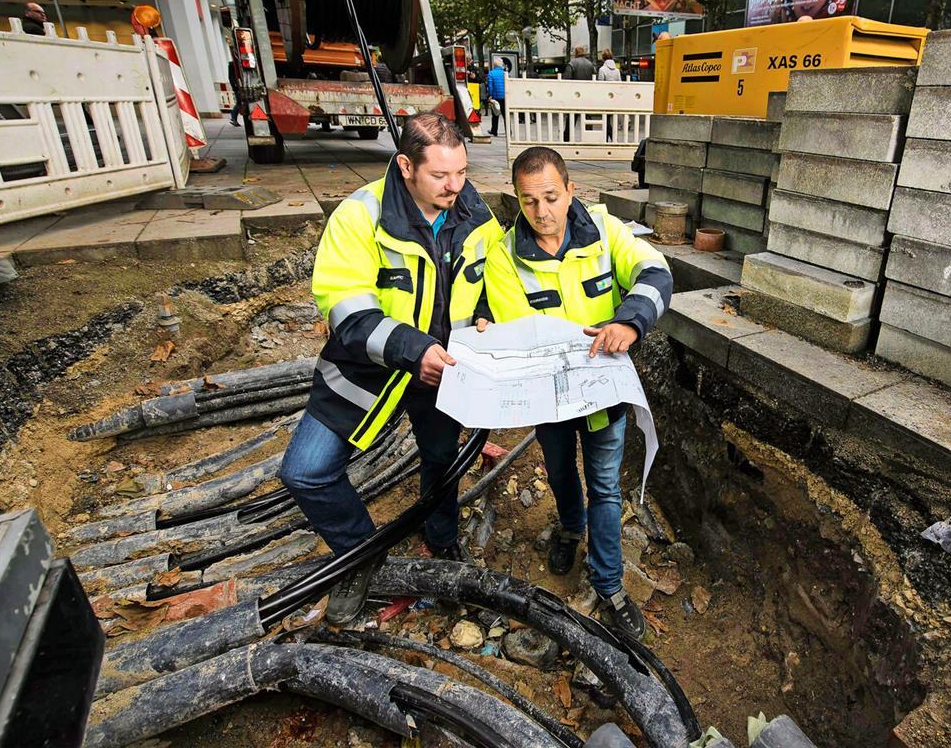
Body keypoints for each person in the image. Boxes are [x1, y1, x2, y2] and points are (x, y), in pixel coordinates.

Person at [277, 113, 505, 627]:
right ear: (406, 165)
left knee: (442, 462)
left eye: (462, 172)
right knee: (305, 472)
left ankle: (442, 541)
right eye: (441, 176)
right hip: (368, 372)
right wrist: (411, 348)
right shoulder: (359, 217)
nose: (456, 186)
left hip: (443, 372)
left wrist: (489, 312)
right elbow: (346, 311)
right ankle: (360, 555)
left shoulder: (477, 214)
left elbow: (492, 282)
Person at [479, 147, 673, 640]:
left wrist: (629, 322)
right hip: (550, 396)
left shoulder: (607, 233)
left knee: (605, 487)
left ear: (570, 191)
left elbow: (656, 274)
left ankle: (609, 585)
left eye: (550, 197)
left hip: (605, 393)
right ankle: (569, 526)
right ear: (518, 201)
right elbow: (521, 332)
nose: (542, 212)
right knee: (562, 468)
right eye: (528, 201)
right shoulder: (505, 257)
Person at [562, 47, 596, 142]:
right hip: (587, 95)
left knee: (571, 118)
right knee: (587, 116)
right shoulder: (590, 64)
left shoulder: (572, 64)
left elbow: (566, 79)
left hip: (574, 95)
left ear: (576, 53)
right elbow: (594, 78)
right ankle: (589, 136)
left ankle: (567, 138)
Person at [597, 49, 622, 142]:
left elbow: (600, 85)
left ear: (603, 58)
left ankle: (609, 138)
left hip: (605, 98)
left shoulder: (602, 70)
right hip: (614, 98)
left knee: (606, 120)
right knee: (610, 119)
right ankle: (610, 138)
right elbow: (620, 84)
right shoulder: (617, 70)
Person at [486, 59, 506, 137]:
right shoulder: (505, 73)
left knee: (495, 114)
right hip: (505, 97)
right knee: (505, 115)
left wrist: (490, 95)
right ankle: (508, 131)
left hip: (496, 96)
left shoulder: (491, 73)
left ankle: (494, 130)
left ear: (494, 65)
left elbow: (490, 86)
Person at [227, 54, 246, 127]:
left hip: (238, 87)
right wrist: (235, 86)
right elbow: (231, 78)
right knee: (239, 102)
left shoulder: (234, 65)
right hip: (238, 87)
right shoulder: (232, 65)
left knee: (240, 102)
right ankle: (233, 118)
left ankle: (234, 118)